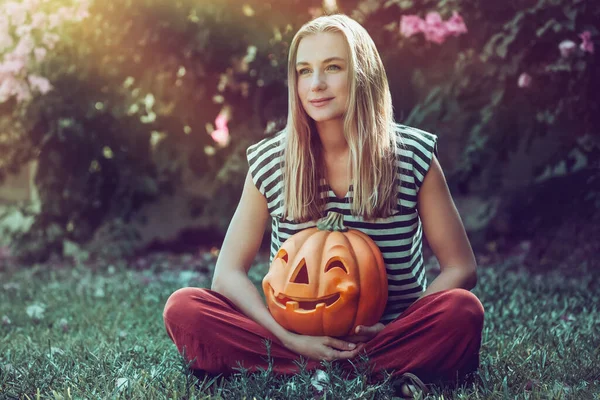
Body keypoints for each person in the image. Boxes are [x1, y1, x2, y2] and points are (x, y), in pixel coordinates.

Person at [163, 13, 484, 398]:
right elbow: (227, 274)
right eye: (304, 71)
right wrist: (291, 339)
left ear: (362, 75)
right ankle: (356, 370)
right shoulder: (270, 161)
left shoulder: (412, 155)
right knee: (185, 309)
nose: (315, 84)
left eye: (332, 68)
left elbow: (461, 268)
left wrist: (391, 329)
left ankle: (317, 369)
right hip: (292, 336)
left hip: (388, 334)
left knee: (462, 312)